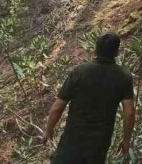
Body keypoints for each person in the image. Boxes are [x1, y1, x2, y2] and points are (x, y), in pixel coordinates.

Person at [43, 32, 136, 163]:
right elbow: (130, 113)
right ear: (117, 52)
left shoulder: (79, 72)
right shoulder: (123, 76)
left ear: (95, 50)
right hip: (99, 143)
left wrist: (49, 130)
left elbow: (58, 107)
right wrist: (126, 140)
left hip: (72, 139)